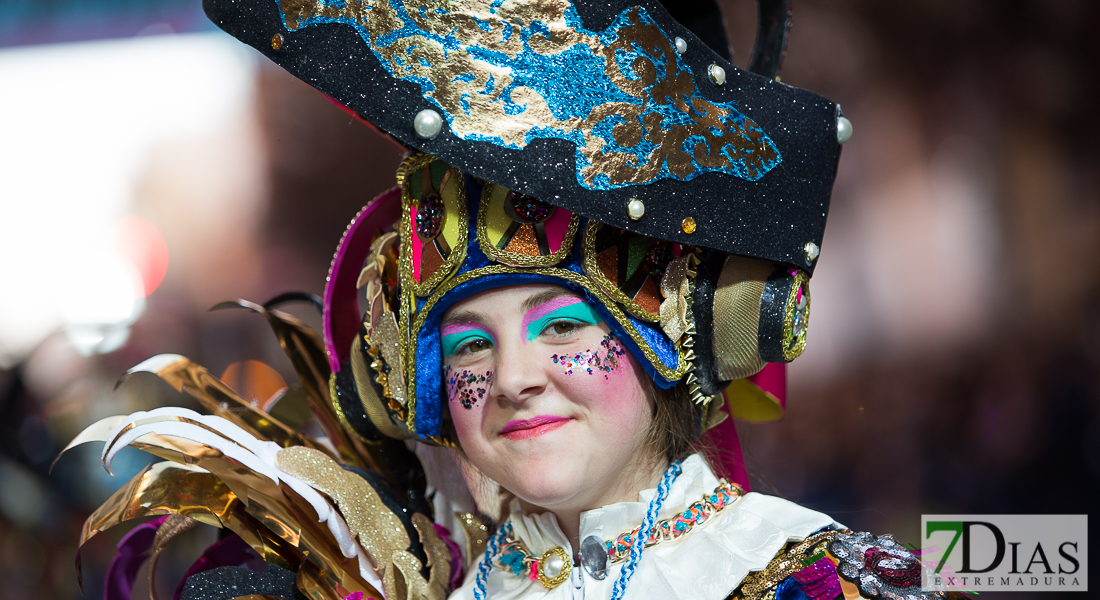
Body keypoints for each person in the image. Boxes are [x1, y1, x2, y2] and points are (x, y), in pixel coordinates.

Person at [62, 0, 955, 599]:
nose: (516, 378)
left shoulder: (819, 580)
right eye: (470, 349)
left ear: (675, 335)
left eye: (563, 326)